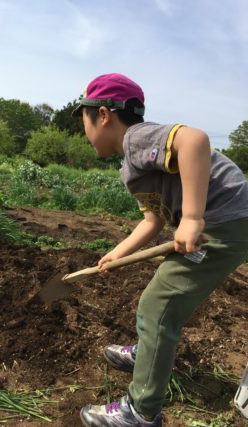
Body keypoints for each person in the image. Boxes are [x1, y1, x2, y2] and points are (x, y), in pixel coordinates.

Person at [72, 73, 248, 427]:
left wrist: (194, 217)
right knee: (161, 297)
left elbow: (195, 141)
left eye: (84, 123)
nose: (85, 133)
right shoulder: (131, 166)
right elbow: (152, 220)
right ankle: (148, 354)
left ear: (103, 115)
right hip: (225, 222)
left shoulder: (136, 137)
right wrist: (117, 253)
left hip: (223, 222)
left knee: (158, 305)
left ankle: (140, 411)